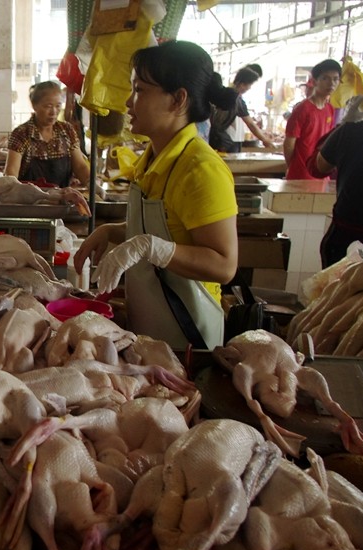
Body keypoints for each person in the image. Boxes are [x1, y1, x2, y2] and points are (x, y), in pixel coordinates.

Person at [72, 40, 239, 350]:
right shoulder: (153, 158)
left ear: (178, 99)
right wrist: (113, 232)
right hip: (152, 330)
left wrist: (148, 246)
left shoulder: (200, 169)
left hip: (188, 338)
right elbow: (165, 233)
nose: (128, 103)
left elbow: (224, 265)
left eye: (140, 90)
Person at [4, 81, 92, 188]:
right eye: (48, 106)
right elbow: (11, 174)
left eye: (58, 106)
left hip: (63, 199)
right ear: (34, 106)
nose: (54, 112)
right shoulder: (22, 133)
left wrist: (90, 183)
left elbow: (80, 166)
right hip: (32, 201)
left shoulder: (67, 130)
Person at [314, 118, 363, 267]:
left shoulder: (351, 130)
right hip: (349, 231)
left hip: (347, 232)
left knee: (336, 287)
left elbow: (321, 165)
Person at [283, 59, 341, 180]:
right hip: (301, 176)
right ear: (314, 81)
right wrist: (293, 168)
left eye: (335, 79)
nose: (331, 83)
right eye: (325, 78)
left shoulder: (330, 108)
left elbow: (325, 142)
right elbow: (289, 144)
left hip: (320, 174)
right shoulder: (302, 109)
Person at [208, 65, 275, 152]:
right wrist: (264, 140)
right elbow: (251, 124)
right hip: (227, 141)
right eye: (249, 85)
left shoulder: (223, 93)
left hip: (214, 139)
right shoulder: (236, 99)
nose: (249, 88)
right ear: (243, 84)